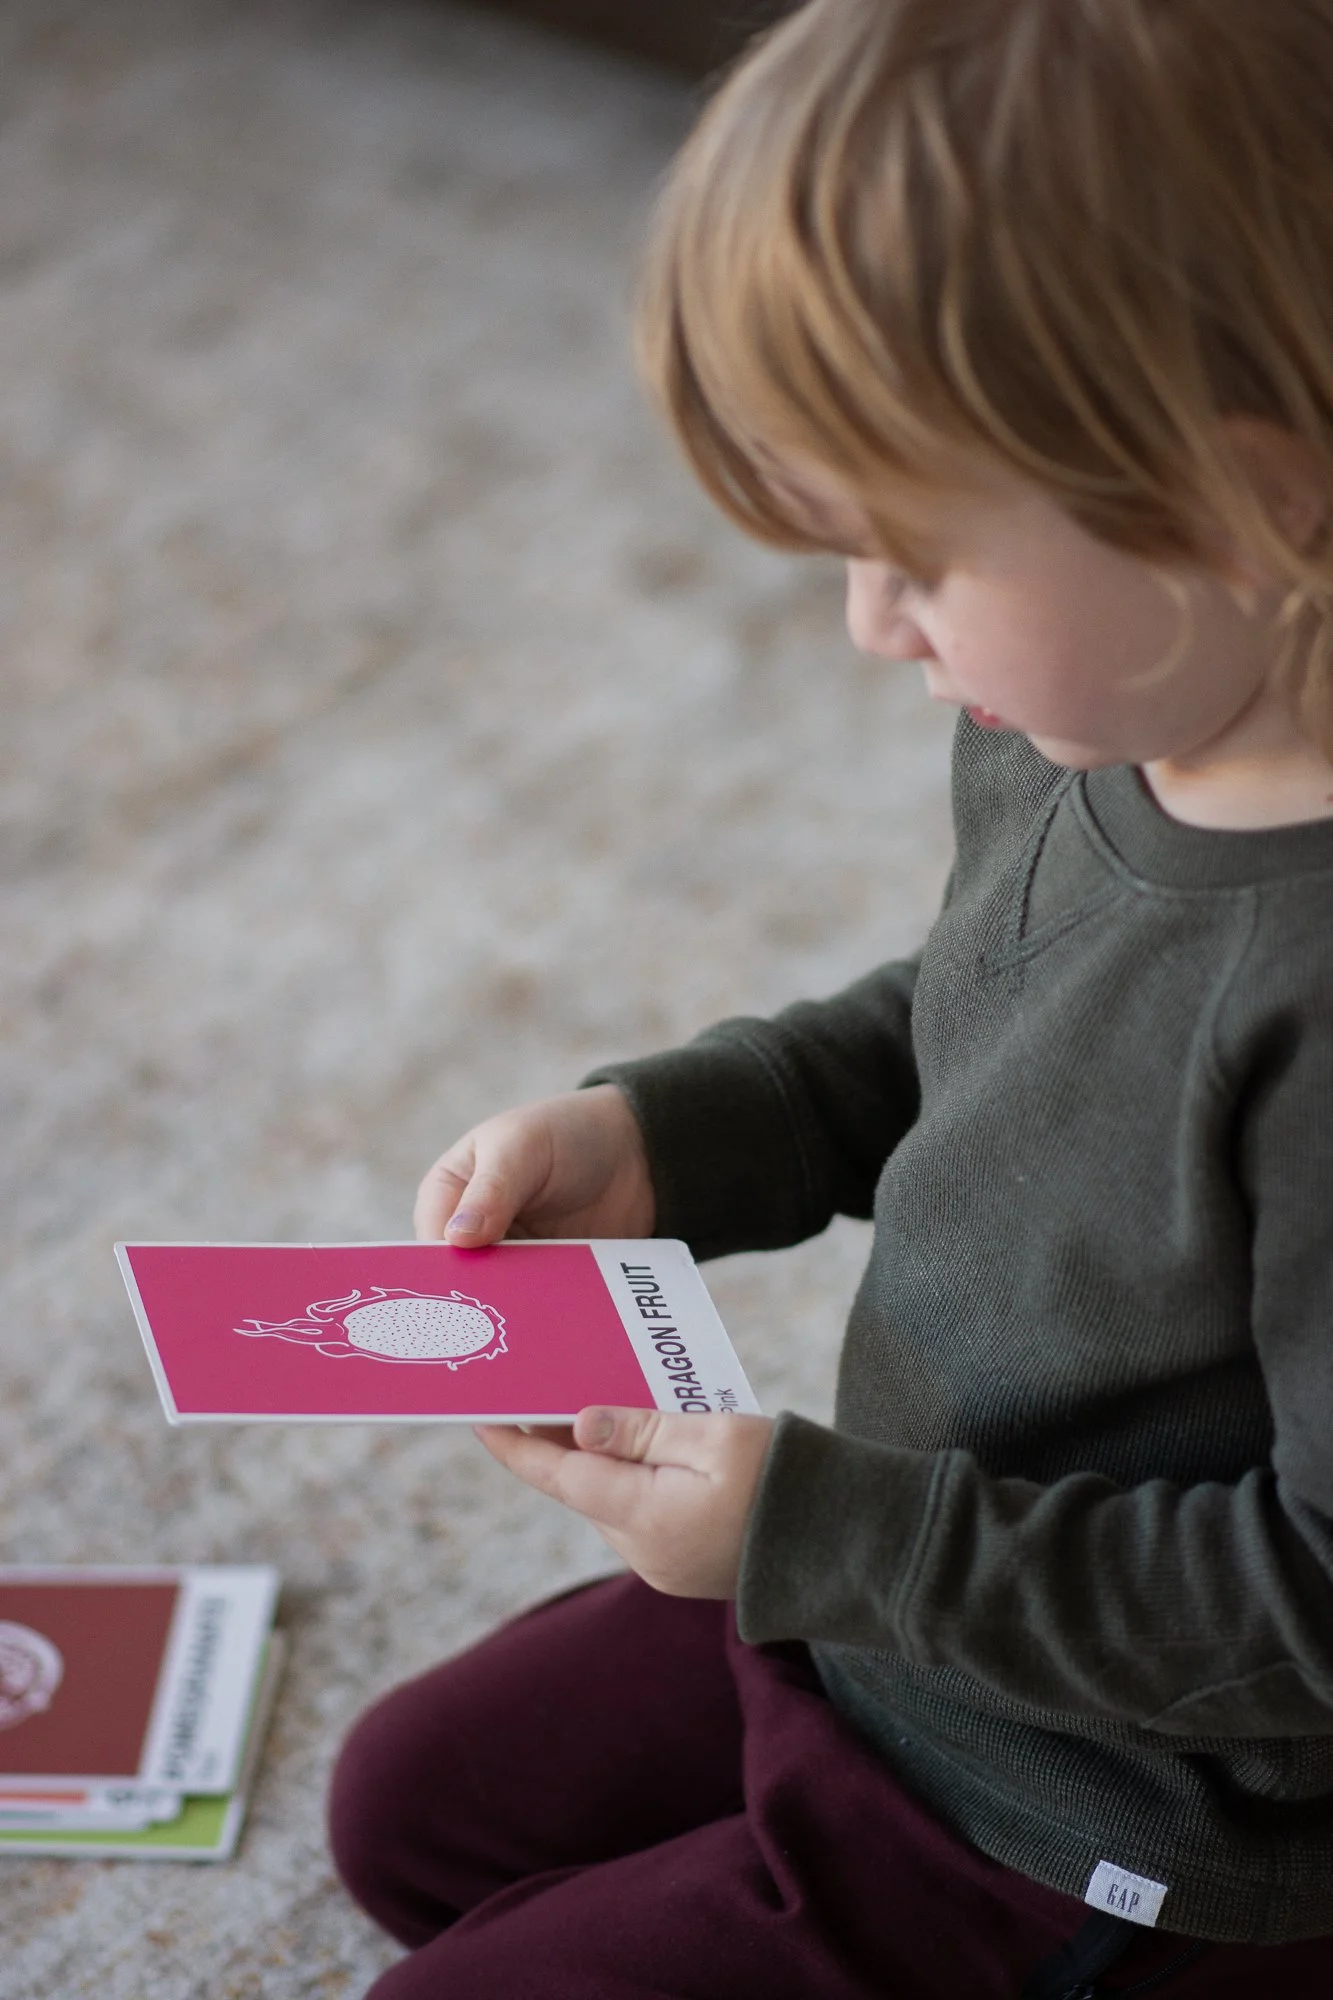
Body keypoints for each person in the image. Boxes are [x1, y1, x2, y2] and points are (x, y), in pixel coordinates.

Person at [328, 1, 1333, 1992]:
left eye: (914, 556)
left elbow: (1308, 1611)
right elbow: (994, 1024)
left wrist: (819, 1532)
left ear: (1246, 501)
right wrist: (671, 1132)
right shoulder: (1100, 704)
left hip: (1106, 1807)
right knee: (407, 1811)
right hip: (902, 1587)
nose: (871, 627)